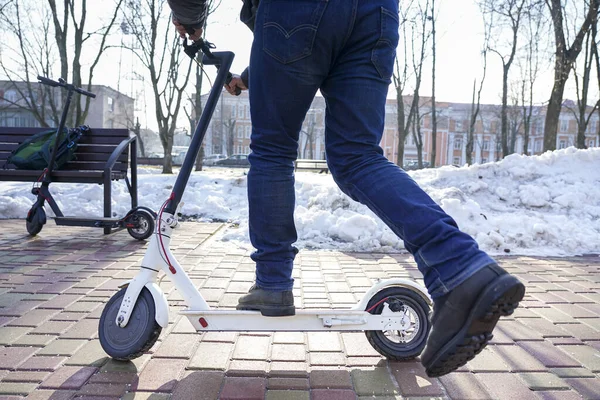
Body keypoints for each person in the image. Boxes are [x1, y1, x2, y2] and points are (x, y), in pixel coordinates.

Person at [167, 0, 525, 378]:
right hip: (376, 13)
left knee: (272, 150)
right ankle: (461, 267)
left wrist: (189, 18)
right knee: (358, 156)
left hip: (294, 14)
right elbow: (321, 34)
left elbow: (304, 26)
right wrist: (254, 74)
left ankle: (272, 282)